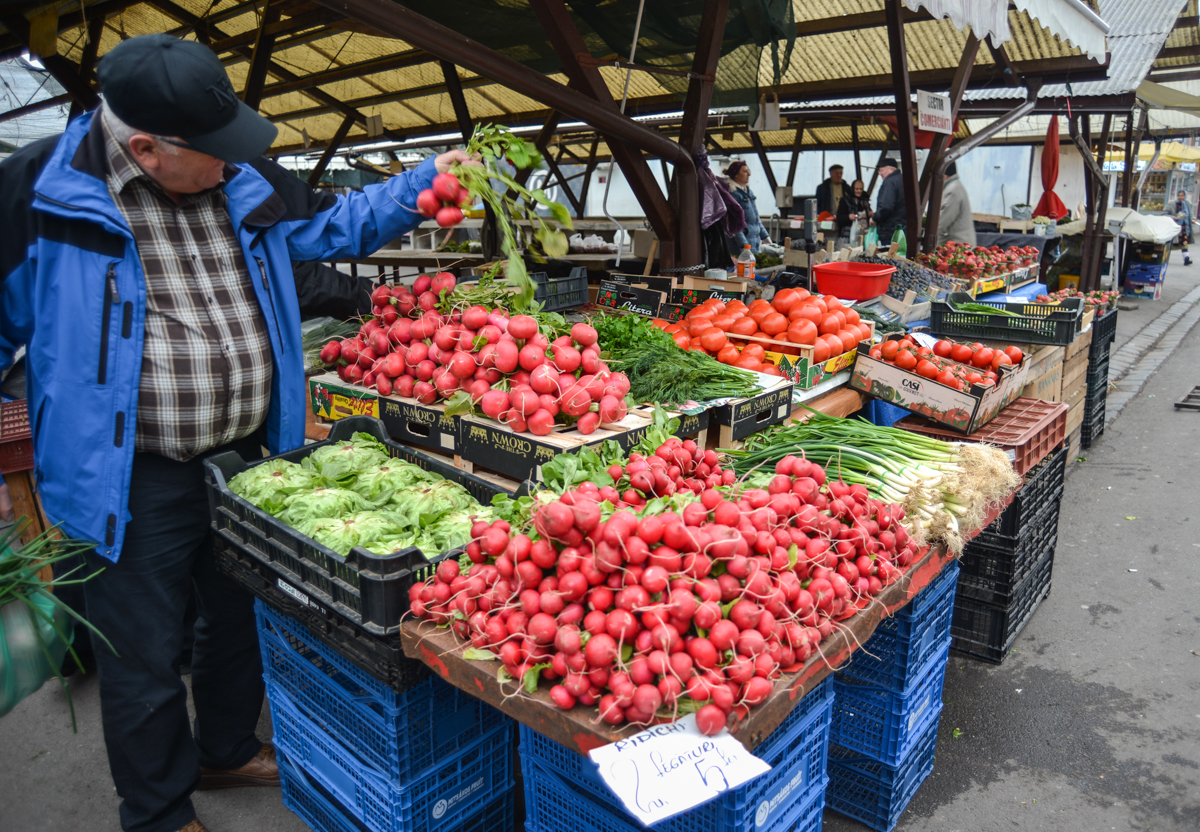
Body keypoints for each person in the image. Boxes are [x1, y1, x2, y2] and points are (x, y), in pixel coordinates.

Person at [0, 34, 475, 832]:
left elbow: (333, 228)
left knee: (234, 620)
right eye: (213, 153)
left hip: (251, 457)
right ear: (146, 148)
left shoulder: (237, 178)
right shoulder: (38, 194)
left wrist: (426, 183)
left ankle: (224, 748)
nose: (231, 163)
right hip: (125, 474)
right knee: (142, 655)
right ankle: (156, 813)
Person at [722, 159, 771, 257]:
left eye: (748, 171)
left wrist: (765, 237)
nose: (749, 174)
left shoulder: (749, 192)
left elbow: (756, 219)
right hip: (740, 247)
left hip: (754, 243)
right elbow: (734, 224)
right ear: (736, 175)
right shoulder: (732, 195)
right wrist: (744, 246)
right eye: (745, 171)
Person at [936, 162, 976, 246]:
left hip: (959, 244)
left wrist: (927, 236)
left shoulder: (953, 190)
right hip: (959, 243)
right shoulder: (954, 187)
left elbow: (942, 221)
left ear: (945, 175)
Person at [871, 157, 905, 247]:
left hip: (890, 230)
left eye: (882, 170)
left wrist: (875, 218)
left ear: (892, 169)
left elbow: (886, 206)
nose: (880, 174)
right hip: (903, 229)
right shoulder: (904, 180)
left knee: (889, 257)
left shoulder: (890, 182)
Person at [1173, 190, 1192, 266]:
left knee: (1184, 243)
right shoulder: (1173, 204)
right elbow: (1166, 213)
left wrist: (1192, 219)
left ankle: (1186, 259)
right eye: (1179, 195)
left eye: (1182, 196)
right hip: (1175, 226)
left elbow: (1190, 214)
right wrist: (1174, 217)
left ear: (1185, 196)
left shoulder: (1187, 204)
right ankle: (1163, 258)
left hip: (1185, 227)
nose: (1180, 197)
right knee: (1170, 244)